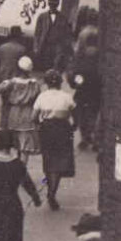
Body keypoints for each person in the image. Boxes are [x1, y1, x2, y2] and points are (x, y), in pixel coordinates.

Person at [34, 69, 77, 209]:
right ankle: (52, 192)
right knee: (60, 161)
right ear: (60, 82)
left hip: (47, 129)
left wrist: (40, 125)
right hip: (62, 129)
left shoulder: (42, 97)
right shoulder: (67, 97)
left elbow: (33, 117)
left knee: (48, 159)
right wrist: (73, 126)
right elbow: (75, 114)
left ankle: (49, 188)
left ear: (46, 83)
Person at [0, 56, 45, 158]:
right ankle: (23, 167)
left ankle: (17, 164)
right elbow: (38, 98)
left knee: (15, 141)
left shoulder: (12, 82)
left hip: (14, 114)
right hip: (28, 114)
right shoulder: (34, 84)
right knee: (25, 145)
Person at [34, 0, 74, 72]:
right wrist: (36, 47)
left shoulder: (63, 17)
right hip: (45, 46)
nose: (53, 6)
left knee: (56, 66)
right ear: (48, 4)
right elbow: (37, 33)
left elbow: (67, 34)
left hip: (57, 46)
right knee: (45, 67)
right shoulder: (42, 17)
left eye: (55, 4)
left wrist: (66, 49)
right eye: (51, 4)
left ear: (58, 4)